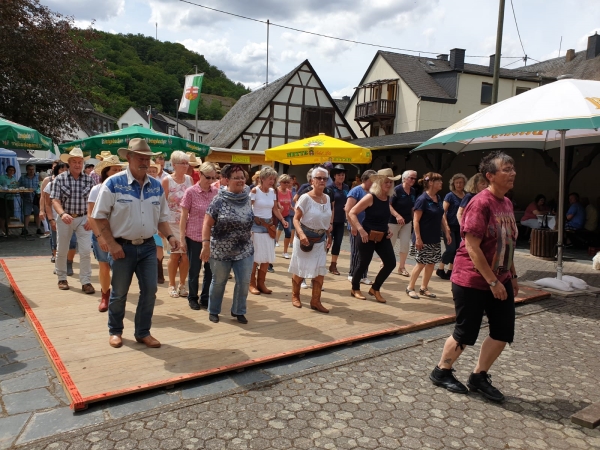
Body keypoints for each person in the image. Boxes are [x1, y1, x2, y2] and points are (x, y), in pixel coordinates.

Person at [429, 151, 519, 403]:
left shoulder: (507, 203)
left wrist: (511, 275)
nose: (512, 173)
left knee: (503, 331)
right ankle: (441, 371)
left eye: (513, 168)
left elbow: (507, 243)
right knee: (466, 332)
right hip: (472, 279)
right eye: (506, 169)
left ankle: (479, 376)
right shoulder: (480, 203)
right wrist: (492, 282)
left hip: (500, 278)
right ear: (490, 176)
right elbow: (472, 247)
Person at [92, 138, 179, 349]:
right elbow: (98, 216)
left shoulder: (156, 186)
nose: (145, 162)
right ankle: (115, 331)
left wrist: (170, 237)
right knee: (119, 292)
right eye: (140, 158)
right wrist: (112, 244)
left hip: (148, 246)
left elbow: (162, 219)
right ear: (129, 157)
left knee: (150, 291)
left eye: (147, 158)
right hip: (122, 246)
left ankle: (143, 332)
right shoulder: (113, 183)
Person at [201, 164, 254, 324]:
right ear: (227, 180)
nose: (240, 180)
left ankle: (238, 311)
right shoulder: (219, 200)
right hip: (220, 250)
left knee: (244, 281)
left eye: (242, 177)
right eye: (236, 178)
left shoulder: (247, 197)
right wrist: (205, 245)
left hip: (244, 248)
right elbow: (207, 224)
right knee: (219, 282)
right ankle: (214, 310)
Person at [348, 169, 400, 302]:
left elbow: (382, 217)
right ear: (379, 182)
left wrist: (388, 228)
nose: (389, 184)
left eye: (390, 182)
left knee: (391, 263)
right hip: (366, 234)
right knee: (363, 263)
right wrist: (360, 229)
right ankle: (355, 288)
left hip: (382, 235)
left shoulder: (387, 198)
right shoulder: (370, 197)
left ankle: (375, 288)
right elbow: (352, 212)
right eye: (386, 182)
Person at [50, 148, 95, 294]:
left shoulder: (89, 179)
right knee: (62, 249)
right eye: (74, 161)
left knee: (86, 251)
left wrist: (90, 218)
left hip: (83, 218)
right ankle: (62, 278)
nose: (77, 164)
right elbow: (55, 200)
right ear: (68, 163)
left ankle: (86, 281)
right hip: (65, 217)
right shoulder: (60, 179)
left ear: (83, 163)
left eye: (80, 162)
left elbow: (94, 202)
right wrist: (62, 214)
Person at [288, 166, 332, 313]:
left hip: (320, 239)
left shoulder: (327, 198)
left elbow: (326, 220)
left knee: (320, 271)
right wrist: (301, 234)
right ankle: (295, 296)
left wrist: (329, 235)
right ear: (312, 180)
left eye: (324, 178)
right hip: (304, 239)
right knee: (300, 268)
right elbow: (295, 219)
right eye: (318, 178)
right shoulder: (305, 198)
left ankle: (315, 301)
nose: (322, 180)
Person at [87, 155, 125, 312]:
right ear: (106, 172)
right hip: (101, 233)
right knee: (104, 266)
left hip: (120, 234)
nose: (117, 172)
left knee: (120, 268)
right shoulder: (97, 189)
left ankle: (117, 296)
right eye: (114, 170)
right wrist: (100, 237)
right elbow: (91, 215)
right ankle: (105, 295)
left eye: (119, 169)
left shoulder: (125, 189)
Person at [179, 162, 219, 310]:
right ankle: (192, 297)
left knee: (210, 270)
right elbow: (183, 216)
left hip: (211, 238)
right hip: (194, 237)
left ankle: (205, 297)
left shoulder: (216, 192)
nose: (210, 181)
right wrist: (182, 238)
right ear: (200, 175)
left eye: (213, 178)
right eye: (208, 177)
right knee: (194, 269)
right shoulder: (190, 192)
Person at [406, 172, 451, 299]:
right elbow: (415, 221)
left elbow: (441, 215)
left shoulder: (438, 197)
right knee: (421, 263)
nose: (441, 183)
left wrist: (446, 230)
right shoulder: (422, 199)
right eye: (438, 181)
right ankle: (410, 288)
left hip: (434, 237)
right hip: (423, 238)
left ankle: (424, 288)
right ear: (430, 183)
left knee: (431, 263)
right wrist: (418, 238)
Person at [249, 167, 288, 295]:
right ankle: (251, 283)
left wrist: (282, 220)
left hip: (269, 226)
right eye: (270, 178)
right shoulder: (254, 191)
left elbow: (275, 209)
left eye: (273, 179)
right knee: (255, 257)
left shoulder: (272, 192)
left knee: (266, 256)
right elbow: (248, 208)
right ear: (262, 178)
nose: (272, 181)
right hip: (256, 226)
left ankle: (261, 283)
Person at [161, 151, 193, 298]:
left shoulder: (189, 180)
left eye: (187, 163)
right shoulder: (167, 181)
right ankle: (171, 284)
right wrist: (161, 227)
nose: (186, 166)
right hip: (171, 223)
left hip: (187, 223)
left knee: (185, 256)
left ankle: (182, 284)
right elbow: (161, 204)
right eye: (183, 163)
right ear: (174, 165)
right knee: (175, 255)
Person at [344, 169, 377, 285]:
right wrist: (353, 226)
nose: (374, 183)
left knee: (366, 252)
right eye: (372, 180)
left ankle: (363, 275)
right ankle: (352, 273)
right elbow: (348, 210)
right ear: (365, 180)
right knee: (356, 251)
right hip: (356, 226)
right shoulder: (356, 191)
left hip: (368, 227)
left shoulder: (373, 192)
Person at [42, 163, 77, 267]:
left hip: (72, 218)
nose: (64, 171)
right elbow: (47, 204)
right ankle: (58, 263)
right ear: (57, 171)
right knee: (56, 241)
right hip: (56, 217)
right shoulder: (50, 184)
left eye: (66, 169)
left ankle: (69, 264)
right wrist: (51, 219)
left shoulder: (75, 183)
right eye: (62, 169)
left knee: (72, 242)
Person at [437, 173, 467, 280]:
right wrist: (446, 227)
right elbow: (443, 212)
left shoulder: (466, 196)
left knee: (457, 250)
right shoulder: (449, 196)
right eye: (456, 183)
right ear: (453, 184)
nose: (459, 185)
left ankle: (451, 270)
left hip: (460, 227)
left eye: (461, 182)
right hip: (449, 226)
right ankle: (440, 269)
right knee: (450, 249)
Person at [389, 170, 417, 277]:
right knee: (390, 244)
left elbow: (412, 207)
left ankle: (401, 267)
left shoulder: (413, 191)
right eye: (411, 178)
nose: (413, 180)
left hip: (407, 221)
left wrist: (415, 220)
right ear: (404, 178)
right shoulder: (396, 190)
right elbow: (389, 205)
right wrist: (397, 216)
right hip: (393, 222)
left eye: (414, 178)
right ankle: (385, 262)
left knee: (405, 244)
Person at [327, 164, 349, 276]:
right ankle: (320, 263)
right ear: (334, 176)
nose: (341, 177)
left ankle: (333, 265)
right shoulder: (329, 188)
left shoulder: (346, 187)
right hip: (330, 220)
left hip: (341, 220)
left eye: (343, 175)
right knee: (327, 243)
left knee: (338, 243)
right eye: (339, 175)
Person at [148, 163, 165, 283]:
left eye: (154, 171)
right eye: (149, 171)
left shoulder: (159, 186)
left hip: (156, 221)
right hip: (145, 222)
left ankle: (159, 272)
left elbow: (163, 207)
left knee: (159, 246)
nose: (152, 173)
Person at [18, 164, 43, 235]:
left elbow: (42, 185)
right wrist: (22, 194)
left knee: (37, 214)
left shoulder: (38, 177)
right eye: (29, 169)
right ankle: (25, 229)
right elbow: (19, 187)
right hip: (27, 198)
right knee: (27, 214)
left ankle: (38, 228)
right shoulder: (22, 178)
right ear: (26, 170)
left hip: (36, 198)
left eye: (32, 169)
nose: (31, 171)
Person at [275, 174, 294, 259]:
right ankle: (272, 250)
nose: (286, 184)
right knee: (272, 233)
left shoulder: (289, 192)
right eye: (284, 182)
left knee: (288, 232)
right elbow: (275, 202)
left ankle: (285, 252)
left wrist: (295, 209)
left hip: (286, 215)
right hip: (276, 215)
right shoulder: (276, 191)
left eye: (288, 182)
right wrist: (279, 207)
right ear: (280, 182)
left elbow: (289, 205)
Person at [0, 165, 19, 235]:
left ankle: (7, 229)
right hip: (3, 198)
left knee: (9, 215)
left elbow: (16, 186)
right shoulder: (2, 177)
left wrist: (15, 189)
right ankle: (3, 229)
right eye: (10, 170)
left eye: (13, 170)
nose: (11, 171)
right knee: (2, 215)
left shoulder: (14, 179)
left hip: (11, 198)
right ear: (7, 170)